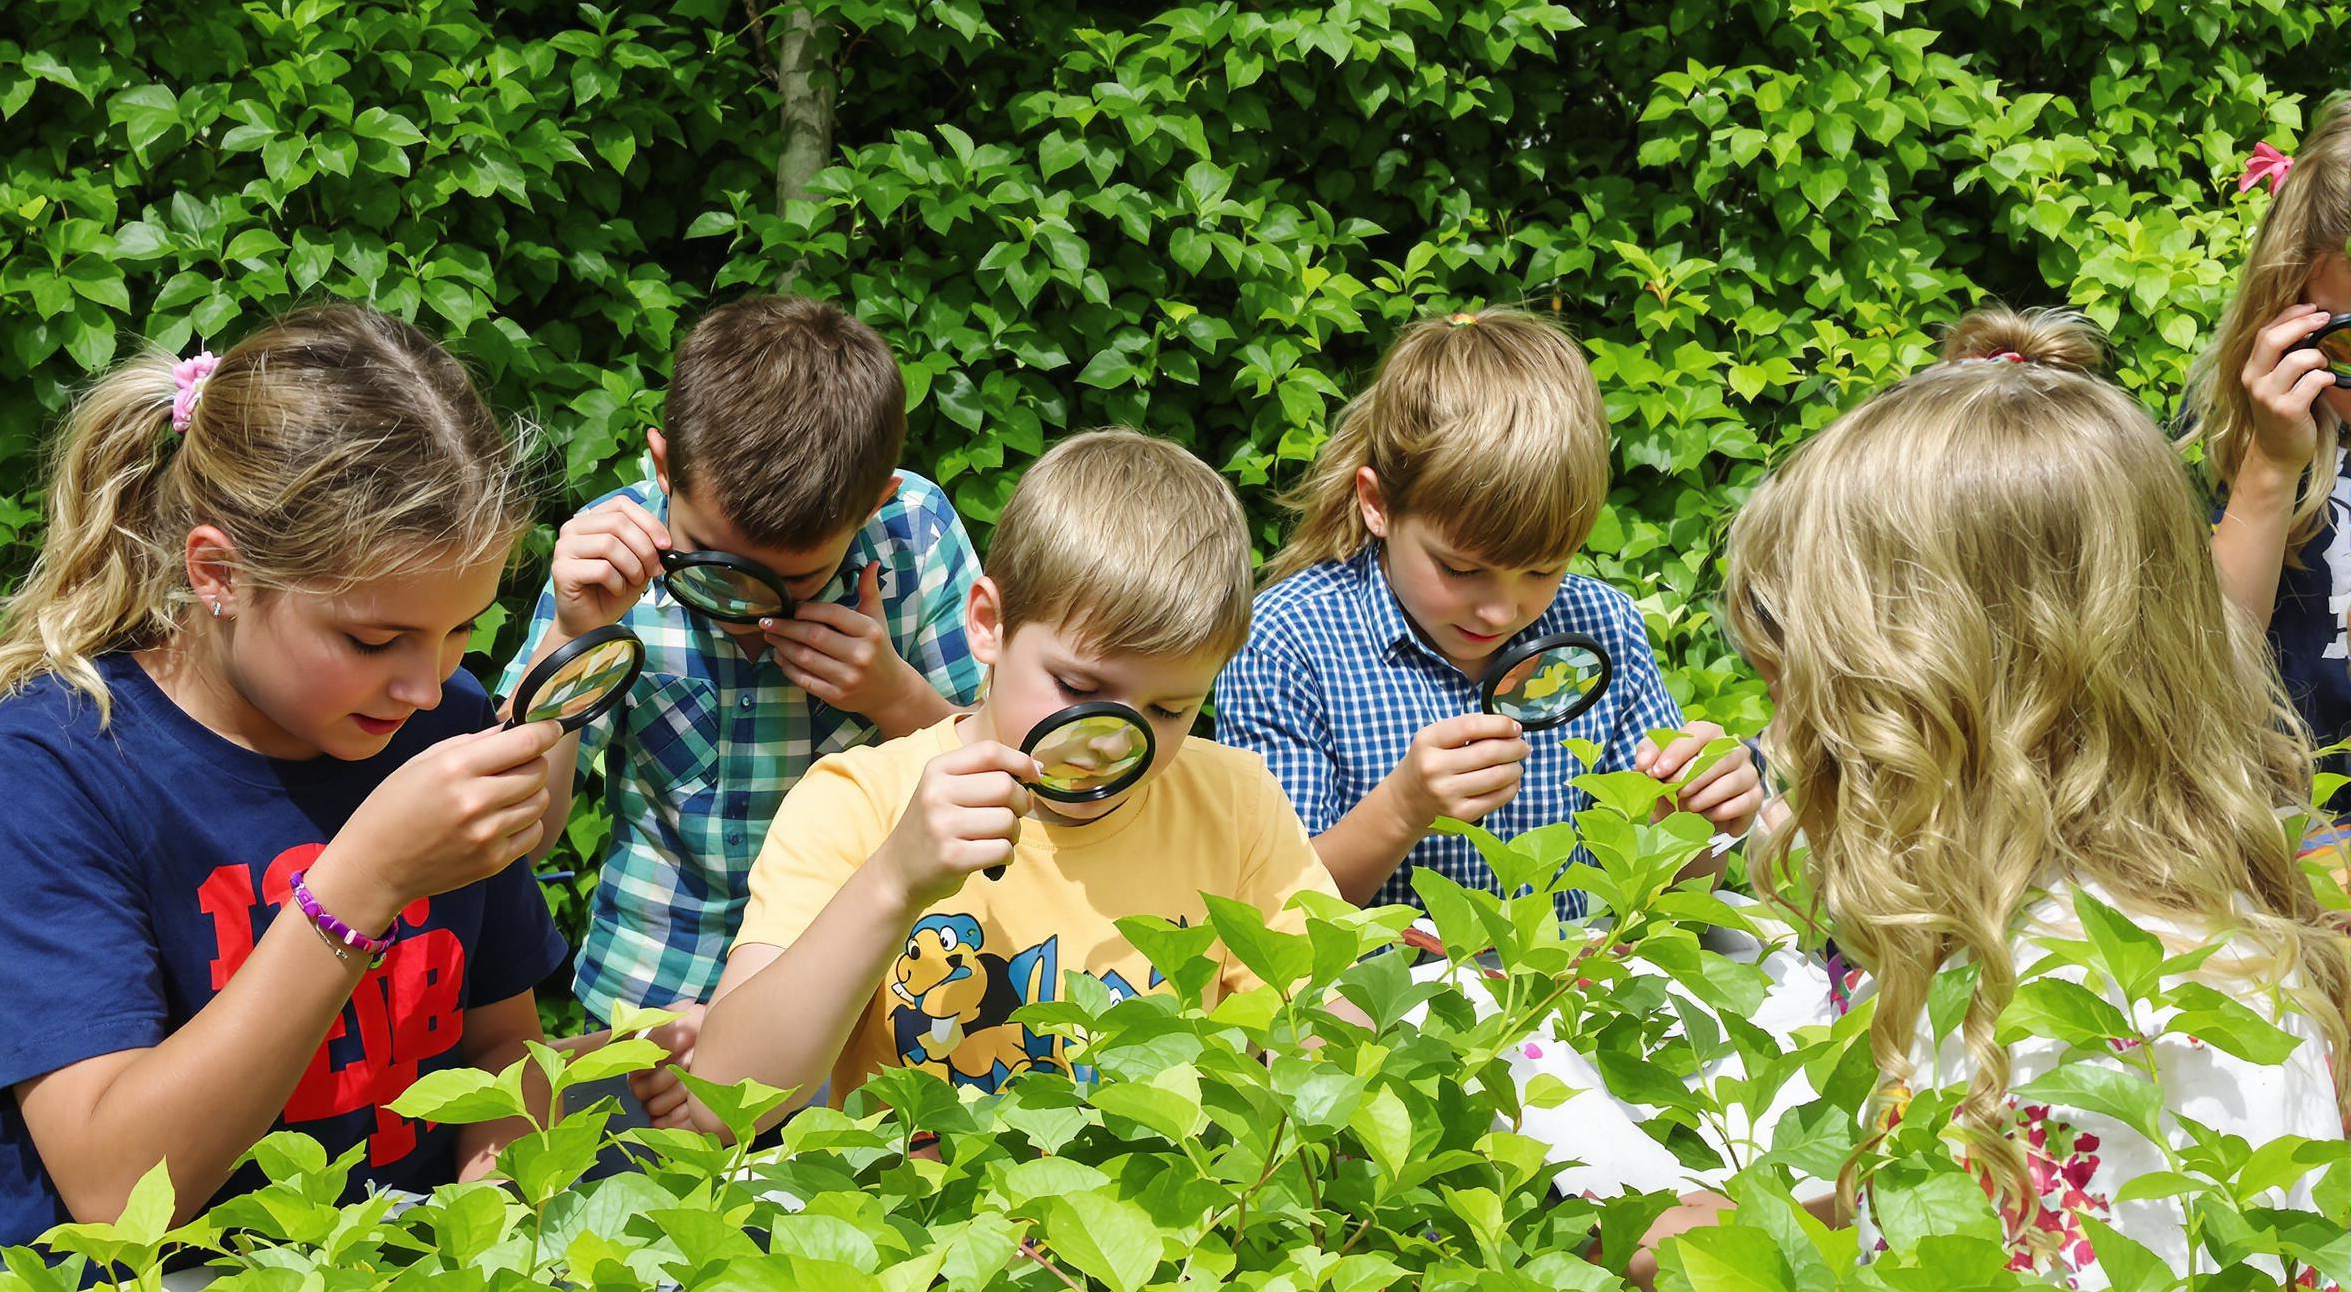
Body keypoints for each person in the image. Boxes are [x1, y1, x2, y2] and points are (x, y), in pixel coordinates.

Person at [1696, 306, 2351, 1292]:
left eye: (1812, 683)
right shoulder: (2107, 937)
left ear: (1937, 701)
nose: (1786, 730)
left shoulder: (2084, 1005)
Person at [0, 305, 566, 1253]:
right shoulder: (46, 775)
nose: (427, 684)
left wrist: (501, 1171)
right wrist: (364, 881)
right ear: (220, 574)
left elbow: (498, 1044)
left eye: (462, 627)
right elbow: (116, 1192)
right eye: (373, 639)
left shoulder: (443, 723)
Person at [632, 429, 1335, 1136]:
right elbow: (724, 1102)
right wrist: (893, 883)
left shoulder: (1237, 804)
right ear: (988, 623)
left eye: (1169, 709)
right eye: (1079, 686)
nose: (1111, 741)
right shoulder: (861, 801)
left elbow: (1331, 1053)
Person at [501, 296, 983, 1056]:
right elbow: (513, 838)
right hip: (649, 1010)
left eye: (796, 581)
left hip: (870, 1008)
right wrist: (572, 635)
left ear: (875, 503)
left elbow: (993, 789)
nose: (742, 609)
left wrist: (895, 699)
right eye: (709, 567)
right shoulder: (608, 557)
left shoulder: (913, 534)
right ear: (663, 468)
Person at [1216, 308, 1758, 913]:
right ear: (1377, 505)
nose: (1501, 611)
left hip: (1554, 1001)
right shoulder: (1288, 640)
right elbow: (1272, 910)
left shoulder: (1606, 628)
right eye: (1461, 570)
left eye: (1542, 570)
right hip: (1369, 1006)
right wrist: (1403, 807)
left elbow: (1673, 900)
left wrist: (1702, 818)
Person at [2187, 100, 2351, 775]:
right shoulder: (2232, 445)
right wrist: (2269, 470)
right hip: (2307, 843)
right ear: (2301, 287)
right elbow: (2199, 671)